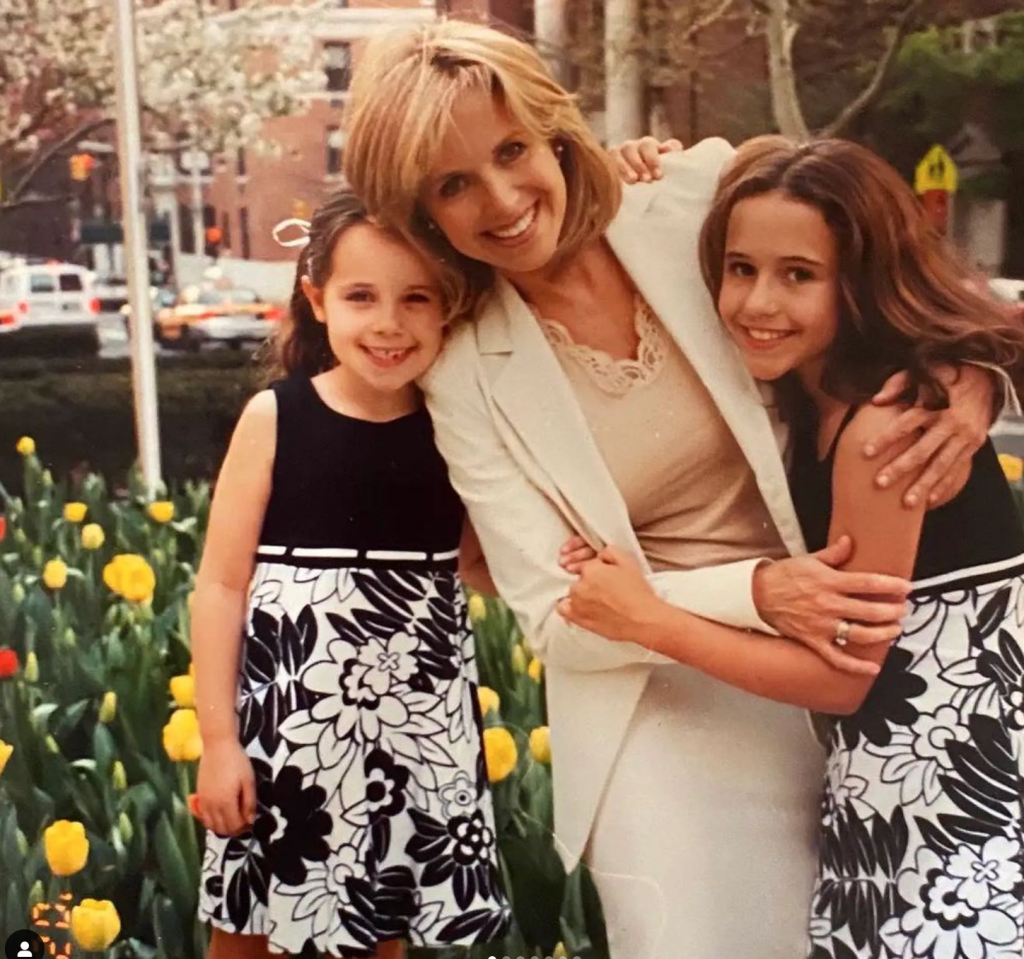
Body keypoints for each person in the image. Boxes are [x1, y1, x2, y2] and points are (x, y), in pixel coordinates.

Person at [341, 21, 1002, 959]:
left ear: (552, 129)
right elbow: (556, 612)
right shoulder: (461, 367)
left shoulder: (694, 197)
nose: (502, 198)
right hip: (663, 713)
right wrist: (754, 591)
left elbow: (887, 284)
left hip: (849, 682)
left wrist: (968, 381)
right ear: (421, 213)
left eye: (511, 150)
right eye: (452, 185)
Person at [559, 136, 1024, 959]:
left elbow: (843, 678)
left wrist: (649, 618)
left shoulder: (885, 425)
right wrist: (638, 169)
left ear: (861, 279)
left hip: (959, 801)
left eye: (798, 275)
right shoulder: (811, 398)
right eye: (740, 268)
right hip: (894, 788)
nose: (756, 301)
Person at [190, 188, 511, 959]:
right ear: (317, 298)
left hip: (413, 740)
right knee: (247, 938)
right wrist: (218, 740)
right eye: (361, 295)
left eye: (416, 298)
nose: (389, 322)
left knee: (377, 941)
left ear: (449, 308)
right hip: (288, 742)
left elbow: (479, 564)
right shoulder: (278, 417)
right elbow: (221, 583)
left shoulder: (458, 429)